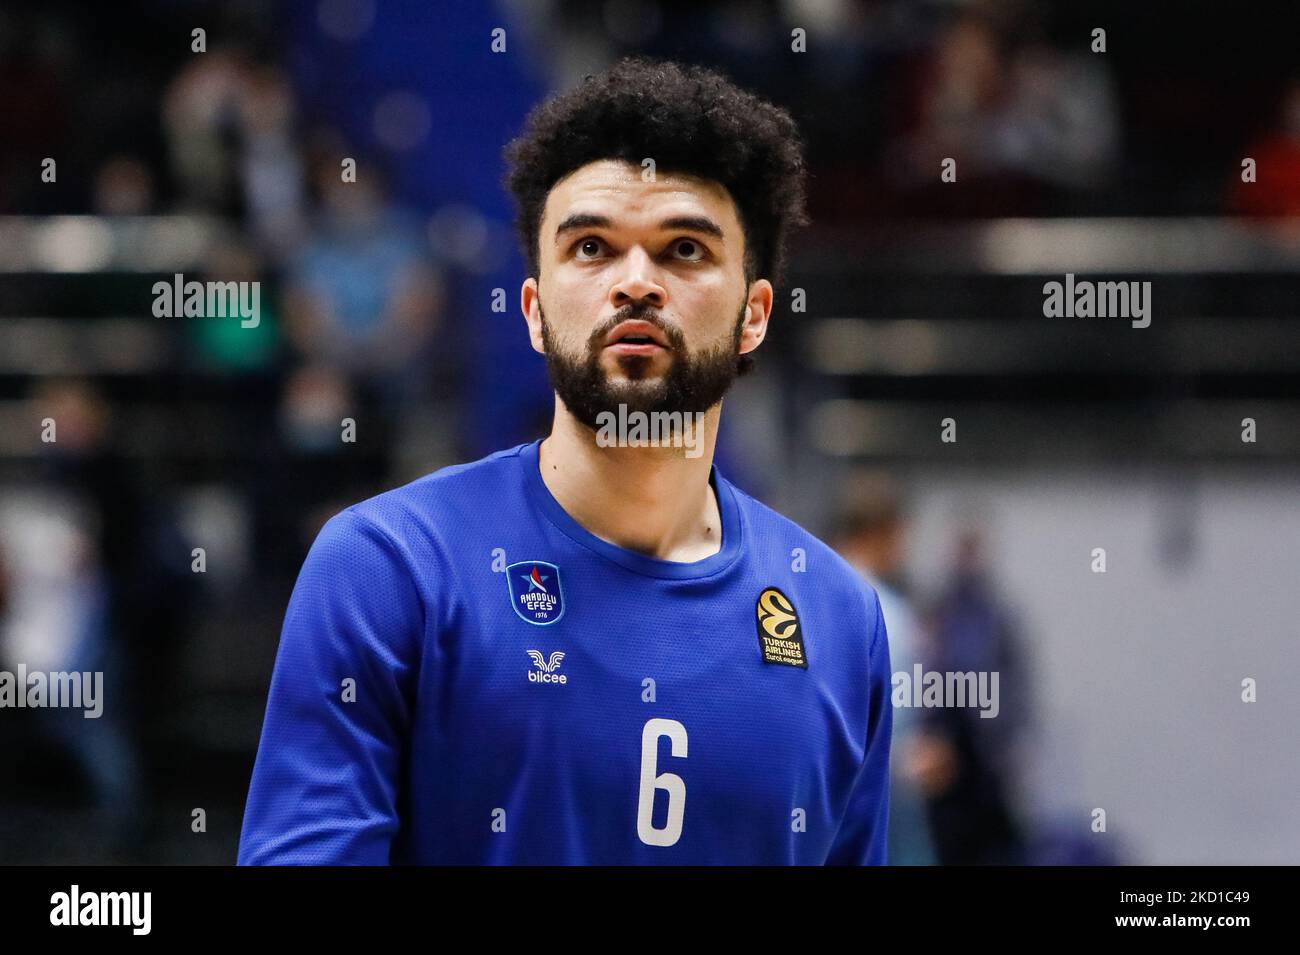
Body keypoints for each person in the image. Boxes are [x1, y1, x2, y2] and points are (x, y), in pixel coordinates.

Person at [238, 56, 892, 865]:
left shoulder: (842, 619)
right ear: (536, 312)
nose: (636, 283)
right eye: (591, 247)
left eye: (685, 249)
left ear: (754, 314)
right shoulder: (387, 568)